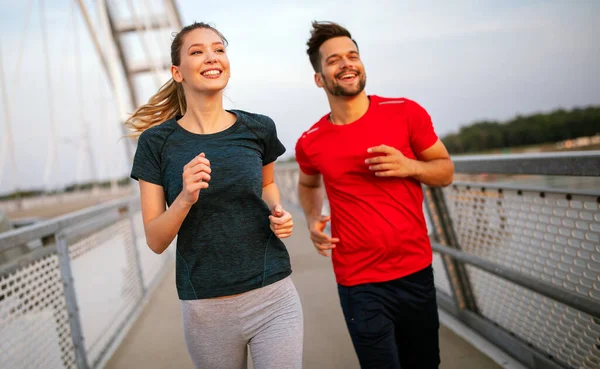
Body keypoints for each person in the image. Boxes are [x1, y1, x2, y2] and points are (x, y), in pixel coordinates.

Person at [127, 22, 303, 369]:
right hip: (205, 308)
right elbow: (155, 239)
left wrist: (279, 211)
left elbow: (267, 185)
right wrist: (185, 197)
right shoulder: (155, 144)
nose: (212, 57)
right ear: (177, 72)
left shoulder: (258, 127)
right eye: (197, 51)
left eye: (219, 49)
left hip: (272, 295)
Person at [295, 21, 454, 369]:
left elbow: (444, 171)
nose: (347, 63)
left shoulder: (405, 112)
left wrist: (410, 167)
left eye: (352, 55)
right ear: (319, 78)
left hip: (415, 271)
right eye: (334, 60)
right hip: (358, 280)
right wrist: (311, 219)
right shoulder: (311, 141)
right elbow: (307, 185)